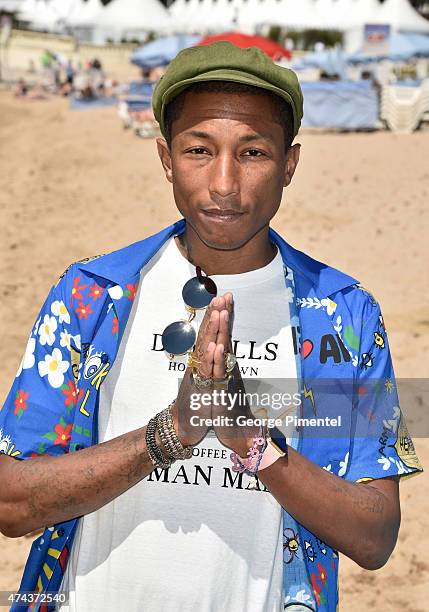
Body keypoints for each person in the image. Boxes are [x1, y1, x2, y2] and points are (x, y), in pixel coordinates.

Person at [0, 42, 423, 612]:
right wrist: (172, 431)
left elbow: (374, 536)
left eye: (253, 152)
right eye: (199, 150)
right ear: (166, 158)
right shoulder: (91, 297)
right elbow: (11, 503)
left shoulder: (344, 318)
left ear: (290, 164)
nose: (224, 183)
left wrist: (251, 442)